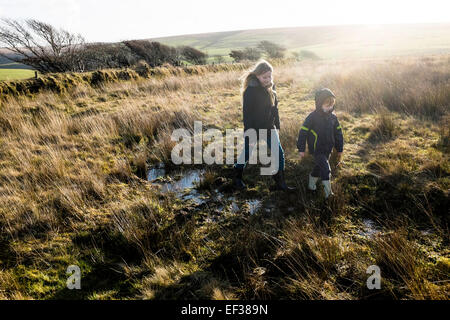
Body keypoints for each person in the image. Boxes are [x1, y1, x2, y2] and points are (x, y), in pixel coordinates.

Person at [233, 60, 294, 191]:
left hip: (269, 127)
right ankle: (237, 177)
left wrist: (276, 125)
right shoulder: (250, 91)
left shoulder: (271, 87)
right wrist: (249, 134)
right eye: (264, 77)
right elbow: (247, 115)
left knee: (279, 154)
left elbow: (275, 108)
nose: (268, 79)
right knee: (247, 153)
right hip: (254, 129)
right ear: (257, 75)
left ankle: (280, 183)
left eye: (270, 76)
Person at [297, 88, 344, 199]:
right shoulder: (312, 117)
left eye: (331, 105)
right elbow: (303, 133)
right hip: (317, 149)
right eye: (327, 105)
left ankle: (311, 185)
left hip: (328, 149)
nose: (330, 108)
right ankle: (329, 194)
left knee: (318, 168)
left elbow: (338, 133)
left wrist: (339, 148)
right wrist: (301, 148)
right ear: (319, 104)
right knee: (326, 169)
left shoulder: (333, 118)